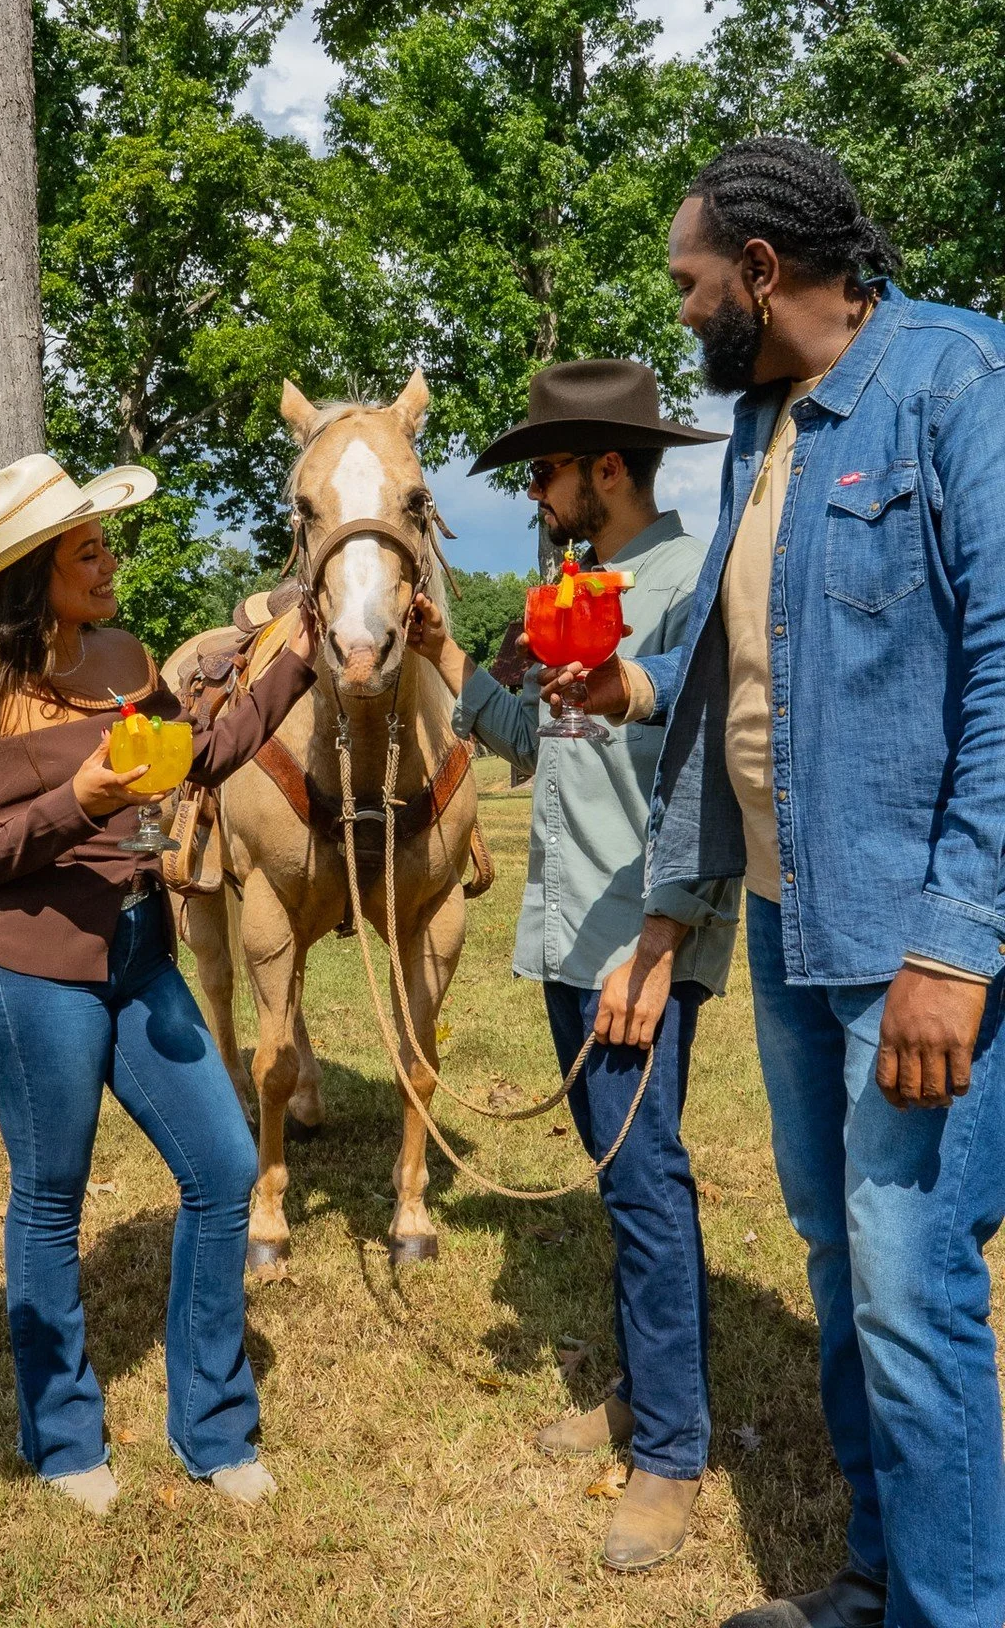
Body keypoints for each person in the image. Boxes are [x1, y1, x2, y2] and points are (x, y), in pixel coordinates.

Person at [551, 138, 1005, 1628]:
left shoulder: (957, 385)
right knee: (840, 1263)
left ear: (760, 272)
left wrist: (955, 943)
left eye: (689, 285)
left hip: (907, 944)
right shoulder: (763, 431)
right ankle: (881, 1579)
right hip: (789, 920)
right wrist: (664, 887)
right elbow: (721, 683)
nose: (679, 315)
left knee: (912, 1288)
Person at [0, 452, 317, 1516]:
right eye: (86, 552)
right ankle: (62, 1440)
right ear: (32, 576)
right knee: (51, 1205)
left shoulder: (125, 657)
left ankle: (213, 1427)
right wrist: (85, 798)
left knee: (226, 1168)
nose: (108, 564)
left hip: (141, 958)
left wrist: (302, 659)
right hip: (30, 980)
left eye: (104, 546)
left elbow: (197, 754)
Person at [408, 359, 737, 1573]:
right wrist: (448, 658)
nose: (536, 494)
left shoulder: (691, 587)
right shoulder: (570, 592)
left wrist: (666, 936)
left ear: (606, 468)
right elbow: (539, 746)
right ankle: (639, 1397)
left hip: (639, 940)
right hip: (567, 932)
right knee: (618, 1177)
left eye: (544, 471)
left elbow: (713, 770)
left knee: (647, 1184)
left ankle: (672, 1452)